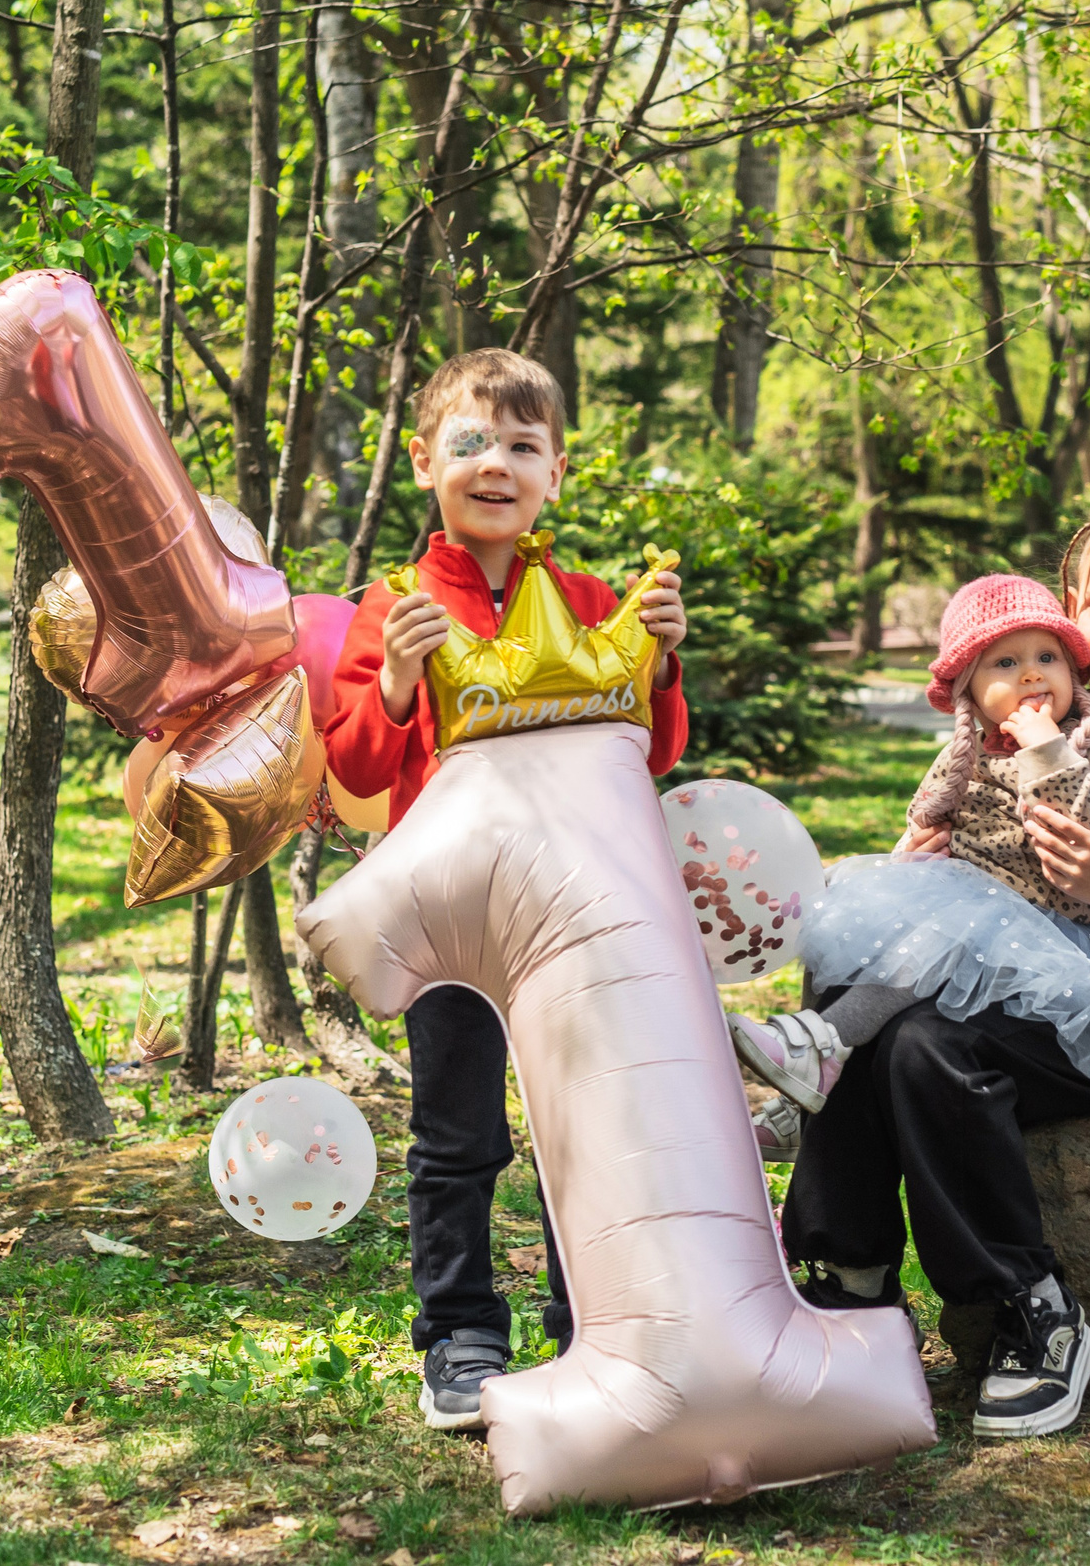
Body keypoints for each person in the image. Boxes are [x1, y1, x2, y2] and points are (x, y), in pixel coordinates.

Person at [778, 487, 1090, 1440]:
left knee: (926, 1049)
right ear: (1068, 614)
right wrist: (919, 865)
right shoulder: (1020, 729)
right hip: (998, 971)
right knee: (853, 979)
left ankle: (1029, 1304)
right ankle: (851, 1275)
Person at [320, 348, 689, 1431]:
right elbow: (354, 768)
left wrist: (663, 664)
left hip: (579, 914)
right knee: (459, 1130)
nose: (497, 464)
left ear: (555, 473)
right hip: (453, 923)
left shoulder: (590, 601)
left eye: (523, 446)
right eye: (471, 443)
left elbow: (652, 750)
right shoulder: (392, 606)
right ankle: (460, 1330)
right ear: (422, 460)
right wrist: (396, 679)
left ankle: (597, 1320)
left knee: (593, 1122)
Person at [731, 574, 1090, 1107]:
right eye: (1006, 663)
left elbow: (1087, 828)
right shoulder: (964, 755)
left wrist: (1046, 753)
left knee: (934, 942)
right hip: (961, 904)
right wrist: (911, 853)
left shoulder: (1083, 747)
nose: (1032, 673)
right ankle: (805, 1084)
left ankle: (823, 1042)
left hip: (1041, 930)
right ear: (969, 689)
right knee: (846, 906)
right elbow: (923, 817)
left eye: (1048, 657)